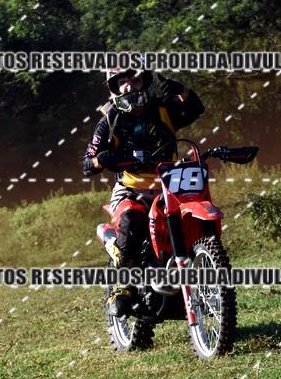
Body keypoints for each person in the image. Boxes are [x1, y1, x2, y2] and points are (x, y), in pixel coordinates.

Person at [83, 64, 205, 316]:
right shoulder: (109, 119)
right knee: (132, 220)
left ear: (146, 81)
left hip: (170, 185)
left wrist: (181, 90)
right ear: (114, 88)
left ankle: (198, 276)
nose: (129, 86)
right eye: (122, 82)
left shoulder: (164, 109)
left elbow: (196, 108)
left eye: (134, 80)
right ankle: (123, 287)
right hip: (130, 189)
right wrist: (102, 159)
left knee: (191, 223)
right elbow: (87, 164)